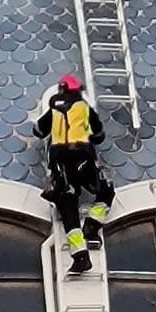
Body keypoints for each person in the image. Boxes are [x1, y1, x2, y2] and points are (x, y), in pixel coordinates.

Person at [34, 74, 115, 275]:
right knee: (105, 191)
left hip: (60, 163)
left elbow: (39, 130)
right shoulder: (84, 107)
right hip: (82, 159)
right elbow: (98, 134)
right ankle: (93, 224)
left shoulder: (53, 108)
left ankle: (80, 256)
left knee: (68, 208)